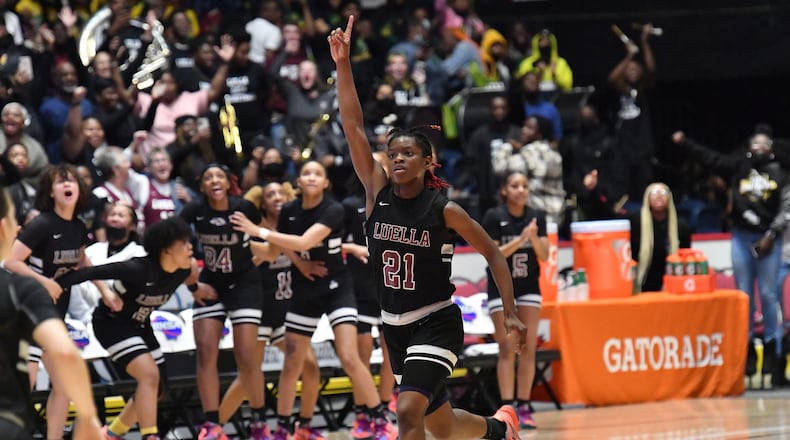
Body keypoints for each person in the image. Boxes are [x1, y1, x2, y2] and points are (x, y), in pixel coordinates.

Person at [330, 16, 526, 440]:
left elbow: (492, 252)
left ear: (427, 163)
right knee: (442, 424)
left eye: (407, 154)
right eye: (392, 153)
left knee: (406, 411)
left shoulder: (444, 210)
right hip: (393, 325)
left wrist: (509, 310)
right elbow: (353, 126)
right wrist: (343, 66)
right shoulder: (375, 193)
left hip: (436, 322)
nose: (396, 159)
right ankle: (500, 430)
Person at [231, 160, 397, 440]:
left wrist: (255, 230)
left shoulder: (334, 209)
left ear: (325, 183)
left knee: (349, 356)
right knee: (293, 362)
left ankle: (378, 416)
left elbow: (307, 241)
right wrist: (301, 265)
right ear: (298, 181)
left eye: (317, 174)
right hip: (305, 290)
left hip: (336, 288)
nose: (310, 177)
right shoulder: (289, 211)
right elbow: (281, 246)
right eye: (305, 172)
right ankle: (285, 426)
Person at [3, 163, 119, 440]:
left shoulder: (78, 226)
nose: (67, 185)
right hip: (29, 314)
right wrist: (45, 282)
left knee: (64, 387)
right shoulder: (42, 224)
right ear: (50, 191)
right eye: (60, 182)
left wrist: (105, 291)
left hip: (55, 314)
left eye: (72, 181)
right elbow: (10, 260)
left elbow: (83, 260)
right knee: (25, 384)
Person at [56, 216, 199, 440]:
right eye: (184, 242)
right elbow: (91, 273)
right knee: (149, 376)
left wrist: (197, 289)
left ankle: (112, 433)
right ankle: (150, 435)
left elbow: (193, 279)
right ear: (166, 250)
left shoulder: (184, 270)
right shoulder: (138, 268)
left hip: (141, 325)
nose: (191, 246)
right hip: (112, 324)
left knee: (158, 389)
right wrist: (51, 284)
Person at [673, 129, 789, 388]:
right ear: (748, 145)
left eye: (764, 142)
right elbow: (711, 158)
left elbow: (786, 207)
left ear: (772, 146)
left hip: (769, 238)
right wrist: (686, 143)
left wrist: (771, 235)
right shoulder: (739, 165)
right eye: (754, 141)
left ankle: (772, 349)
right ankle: (745, 348)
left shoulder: (781, 170)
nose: (759, 146)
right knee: (743, 295)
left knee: (769, 295)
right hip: (740, 236)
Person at [218, 180, 322, 437]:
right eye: (270, 194)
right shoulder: (253, 232)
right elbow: (272, 252)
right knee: (247, 379)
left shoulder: (297, 226)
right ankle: (214, 427)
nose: (276, 197)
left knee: (311, 368)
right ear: (261, 203)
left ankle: (304, 427)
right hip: (258, 313)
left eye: (280, 193)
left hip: (286, 314)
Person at [179, 164, 268, 439]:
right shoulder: (194, 211)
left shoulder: (244, 208)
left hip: (244, 284)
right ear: (202, 185)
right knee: (206, 351)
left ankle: (259, 421)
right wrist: (193, 286)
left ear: (229, 183)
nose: (214, 181)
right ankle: (211, 424)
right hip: (210, 283)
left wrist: (256, 246)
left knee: (246, 356)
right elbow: (176, 250)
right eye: (208, 177)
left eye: (219, 176)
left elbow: (270, 243)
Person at [481, 171, 548, 430]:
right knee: (508, 348)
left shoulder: (536, 216)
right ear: (504, 190)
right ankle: (507, 408)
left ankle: (524, 404)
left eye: (524, 186)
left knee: (528, 347)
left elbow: (544, 254)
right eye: (515, 185)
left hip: (529, 286)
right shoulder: (494, 217)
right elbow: (493, 254)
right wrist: (522, 239)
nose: (521, 190)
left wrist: (532, 238)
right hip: (501, 289)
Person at [342, 171, 398, 435]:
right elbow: (332, 241)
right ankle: (363, 411)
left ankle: (385, 406)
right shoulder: (348, 205)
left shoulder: (394, 203)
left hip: (388, 289)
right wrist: (352, 248)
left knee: (392, 355)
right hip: (359, 289)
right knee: (360, 355)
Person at [629, 183, 691, 293]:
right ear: (647, 198)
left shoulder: (681, 227)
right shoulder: (635, 222)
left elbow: (685, 259)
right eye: (653, 193)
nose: (658, 196)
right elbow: (608, 216)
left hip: (670, 287)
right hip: (641, 286)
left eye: (663, 193)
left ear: (669, 198)